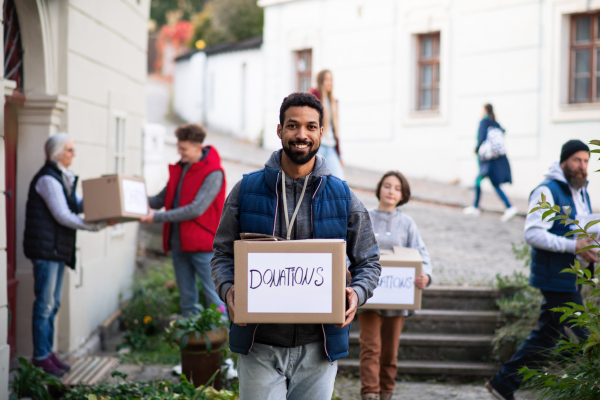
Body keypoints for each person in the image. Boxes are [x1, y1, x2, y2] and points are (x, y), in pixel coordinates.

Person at [211, 92, 381, 400]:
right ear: (279, 131)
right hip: (258, 345)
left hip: (319, 347)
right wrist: (228, 290)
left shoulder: (343, 196)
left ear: (320, 132)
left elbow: (369, 261)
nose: (301, 135)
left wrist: (357, 293)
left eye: (310, 127)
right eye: (293, 126)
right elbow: (222, 253)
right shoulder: (246, 191)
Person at [485, 139, 596, 400]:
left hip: (572, 275)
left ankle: (503, 384)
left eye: (586, 161)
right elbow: (533, 233)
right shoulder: (546, 191)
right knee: (587, 335)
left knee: (546, 335)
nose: (582, 166)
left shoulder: (582, 191)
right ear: (563, 161)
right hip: (553, 276)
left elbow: (582, 232)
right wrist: (573, 245)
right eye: (577, 160)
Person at [23, 133, 111, 376]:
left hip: (56, 250)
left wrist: (110, 200)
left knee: (54, 303)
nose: (74, 154)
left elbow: (78, 202)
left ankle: (47, 352)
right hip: (46, 250)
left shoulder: (63, 177)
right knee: (45, 305)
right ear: (58, 153)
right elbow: (63, 213)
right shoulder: (48, 180)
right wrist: (94, 226)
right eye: (70, 150)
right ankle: (40, 357)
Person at [358, 171, 433, 400]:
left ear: (403, 195)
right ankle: (369, 392)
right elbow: (353, 249)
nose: (391, 191)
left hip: (397, 295)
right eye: (387, 186)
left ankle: (386, 391)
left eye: (397, 188)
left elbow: (421, 254)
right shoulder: (364, 217)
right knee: (370, 346)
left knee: (390, 350)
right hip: (369, 295)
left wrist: (426, 276)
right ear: (379, 188)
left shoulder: (407, 223)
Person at [142, 124, 227, 317]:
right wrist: (131, 198)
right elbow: (159, 200)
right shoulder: (180, 169)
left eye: (184, 149)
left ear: (198, 147)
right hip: (179, 245)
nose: (180, 153)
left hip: (204, 247)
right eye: (178, 148)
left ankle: (223, 345)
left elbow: (196, 209)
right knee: (187, 301)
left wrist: (156, 217)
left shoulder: (214, 173)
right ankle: (192, 345)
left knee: (215, 300)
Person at [464, 104, 518, 222]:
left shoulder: (484, 122)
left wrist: (477, 149)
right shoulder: (495, 123)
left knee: (478, 181)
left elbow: (481, 138)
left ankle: (476, 207)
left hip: (487, 160)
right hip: (496, 160)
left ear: (484, 110)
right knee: (495, 184)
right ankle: (509, 207)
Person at [308, 69, 344, 179]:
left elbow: (335, 132)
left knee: (340, 180)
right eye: (326, 80)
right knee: (318, 180)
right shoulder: (314, 98)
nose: (329, 83)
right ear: (320, 81)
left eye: (331, 80)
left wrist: (340, 155)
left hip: (331, 148)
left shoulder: (333, 101)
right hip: (318, 147)